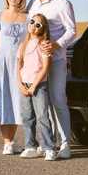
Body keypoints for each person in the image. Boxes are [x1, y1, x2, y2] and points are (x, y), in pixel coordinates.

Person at [26, 0, 76, 159]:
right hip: (35, 63)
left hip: (55, 60)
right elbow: (19, 20)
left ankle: (65, 144)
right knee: (43, 103)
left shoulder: (62, 3)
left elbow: (71, 30)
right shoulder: (31, 4)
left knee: (58, 99)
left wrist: (56, 45)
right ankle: (49, 144)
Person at [0, 0, 29, 155]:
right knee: (4, 99)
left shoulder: (28, 16)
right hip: (2, 62)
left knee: (18, 101)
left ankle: (11, 142)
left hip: (21, 64)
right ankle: (6, 143)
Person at [17, 13, 56, 160]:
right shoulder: (23, 44)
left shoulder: (44, 44)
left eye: (38, 24)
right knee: (27, 117)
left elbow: (45, 68)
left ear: (42, 29)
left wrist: (34, 86)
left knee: (42, 116)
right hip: (24, 85)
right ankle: (30, 146)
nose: (33, 25)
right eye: (32, 22)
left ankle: (49, 148)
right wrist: (21, 84)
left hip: (38, 85)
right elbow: (19, 66)